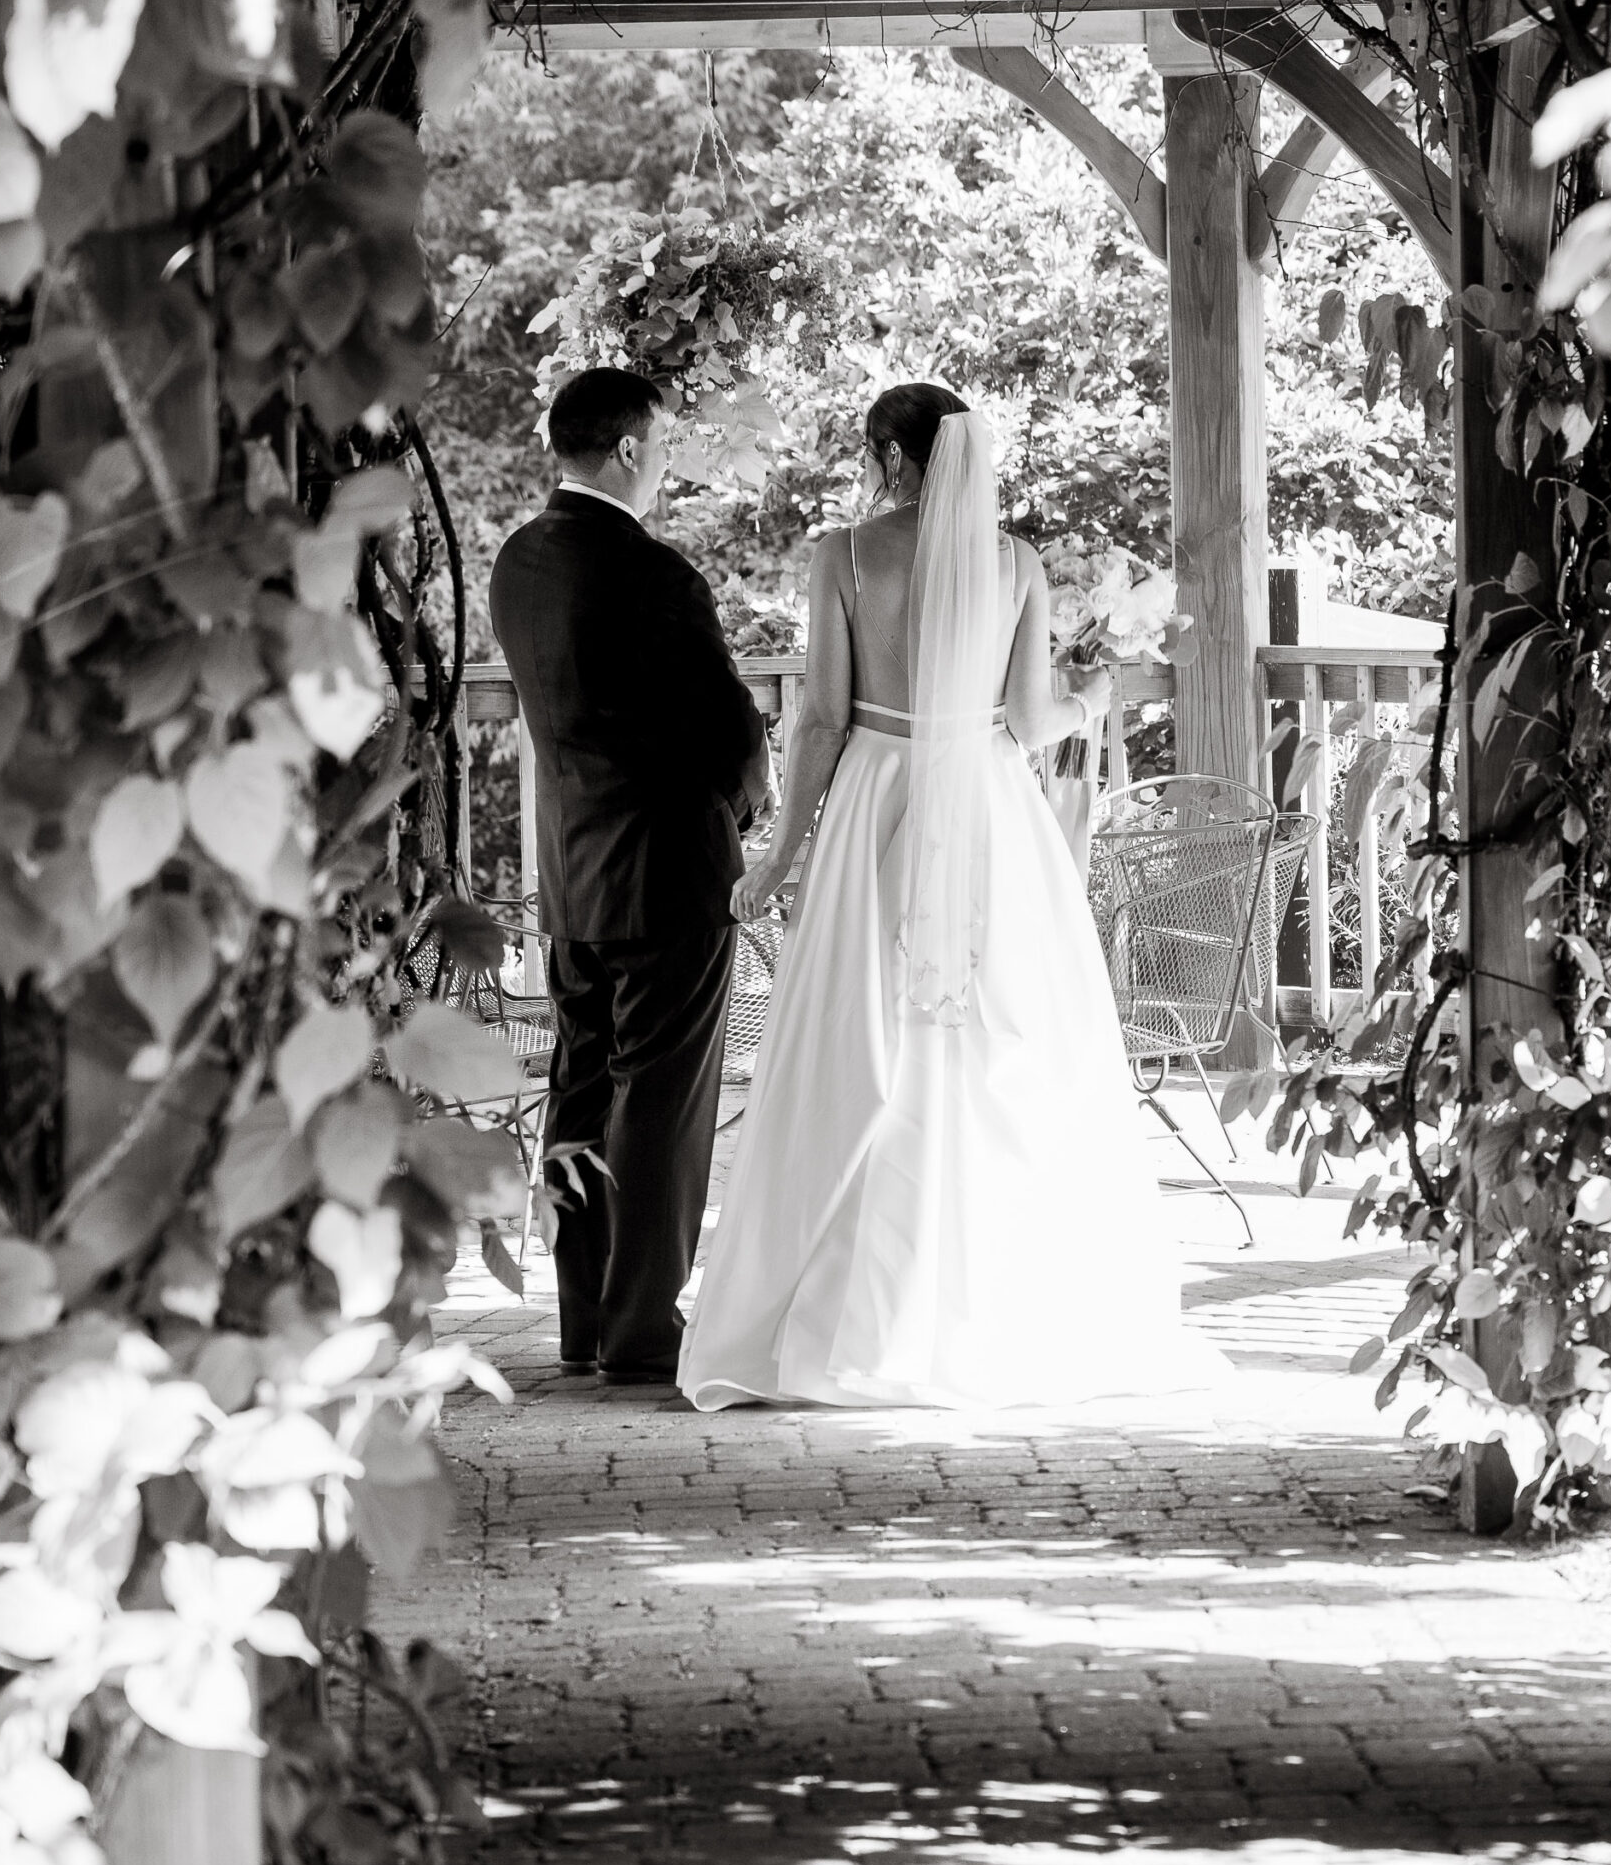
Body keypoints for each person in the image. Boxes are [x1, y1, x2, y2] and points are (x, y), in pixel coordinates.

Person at [679, 383, 1232, 1410]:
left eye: (868, 454)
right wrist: (1092, 696)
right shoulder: (1014, 563)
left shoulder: (843, 557)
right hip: (989, 808)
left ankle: (841, 1310)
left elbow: (821, 721)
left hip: (875, 800)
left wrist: (780, 853)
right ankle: (996, 1312)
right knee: (993, 1042)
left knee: (864, 1036)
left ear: (891, 456)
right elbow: (1026, 719)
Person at [490, 367, 771, 1385]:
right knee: (658, 1102)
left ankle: (585, 1323)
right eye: (661, 444)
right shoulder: (654, 575)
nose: (664, 462)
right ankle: (643, 1331)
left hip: (572, 873)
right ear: (625, 451)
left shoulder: (516, 561)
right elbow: (730, 729)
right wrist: (746, 808)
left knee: (579, 1089)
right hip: (667, 873)